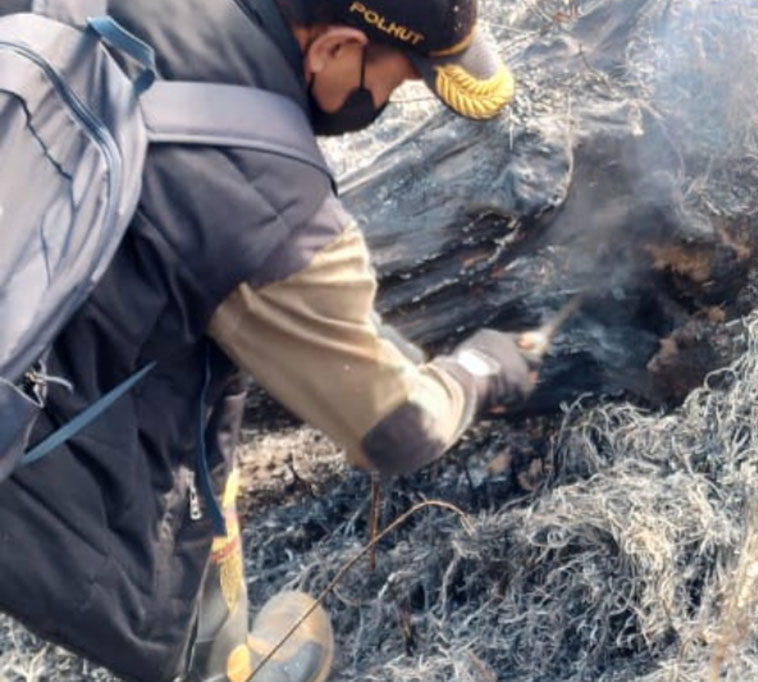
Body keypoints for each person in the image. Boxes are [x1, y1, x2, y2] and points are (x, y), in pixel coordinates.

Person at [0, 0, 534, 680]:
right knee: (169, 510)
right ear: (335, 48)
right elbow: (398, 428)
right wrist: (480, 370)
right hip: (25, 466)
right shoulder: (269, 205)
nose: (383, 101)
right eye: (394, 82)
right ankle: (220, 667)